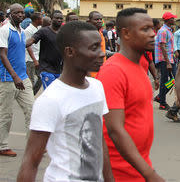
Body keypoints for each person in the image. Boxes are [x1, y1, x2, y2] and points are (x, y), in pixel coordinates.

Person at [17, 21, 114, 182]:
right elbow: (30, 163)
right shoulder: (51, 100)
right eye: (93, 48)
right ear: (70, 52)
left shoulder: (97, 87)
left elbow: (100, 142)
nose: (102, 53)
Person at [97, 8, 165, 182]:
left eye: (153, 28)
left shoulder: (138, 65)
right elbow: (115, 130)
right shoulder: (113, 71)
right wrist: (149, 174)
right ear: (126, 33)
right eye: (145, 29)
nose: (153, 34)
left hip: (138, 166)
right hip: (120, 171)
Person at [0, 4, 35, 157]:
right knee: (6, 114)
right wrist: (14, 76)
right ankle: (2, 145)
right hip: (8, 79)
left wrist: (24, 73)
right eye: (17, 13)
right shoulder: (5, 30)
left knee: (32, 109)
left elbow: (21, 52)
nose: (21, 15)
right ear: (10, 14)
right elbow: (2, 54)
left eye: (22, 12)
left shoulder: (21, 31)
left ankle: (33, 144)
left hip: (23, 77)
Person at [26, 10, 64, 89]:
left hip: (59, 70)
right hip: (46, 69)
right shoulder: (44, 31)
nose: (59, 20)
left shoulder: (63, 32)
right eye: (57, 18)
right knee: (50, 93)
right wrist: (23, 44)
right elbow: (32, 40)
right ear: (51, 19)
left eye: (61, 18)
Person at [155, 12, 177, 110]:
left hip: (169, 59)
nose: (174, 20)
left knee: (173, 80)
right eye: (172, 18)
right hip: (165, 60)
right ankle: (162, 103)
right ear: (168, 20)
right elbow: (162, 47)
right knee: (165, 80)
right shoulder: (163, 31)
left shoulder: (168, 30)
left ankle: (160, 96)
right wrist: (168, 62)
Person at [24, 12, 43, 95]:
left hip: (37, 57)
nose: (42, 20)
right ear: (37, 20)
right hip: (30, 59)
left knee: (40, 78)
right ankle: (29, 96)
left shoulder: (38, 28)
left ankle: (32, 94)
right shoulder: (28, 30)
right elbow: (28, 46)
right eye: (41, 18)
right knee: (30, 80)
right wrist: (34, 60)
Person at [87, 11, 106, 77]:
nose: (99, 21)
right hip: (91, 73)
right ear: (89, 21)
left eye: (101, 19)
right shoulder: (88, 35)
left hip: (101, 71)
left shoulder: (100, 34)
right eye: (96, 19)